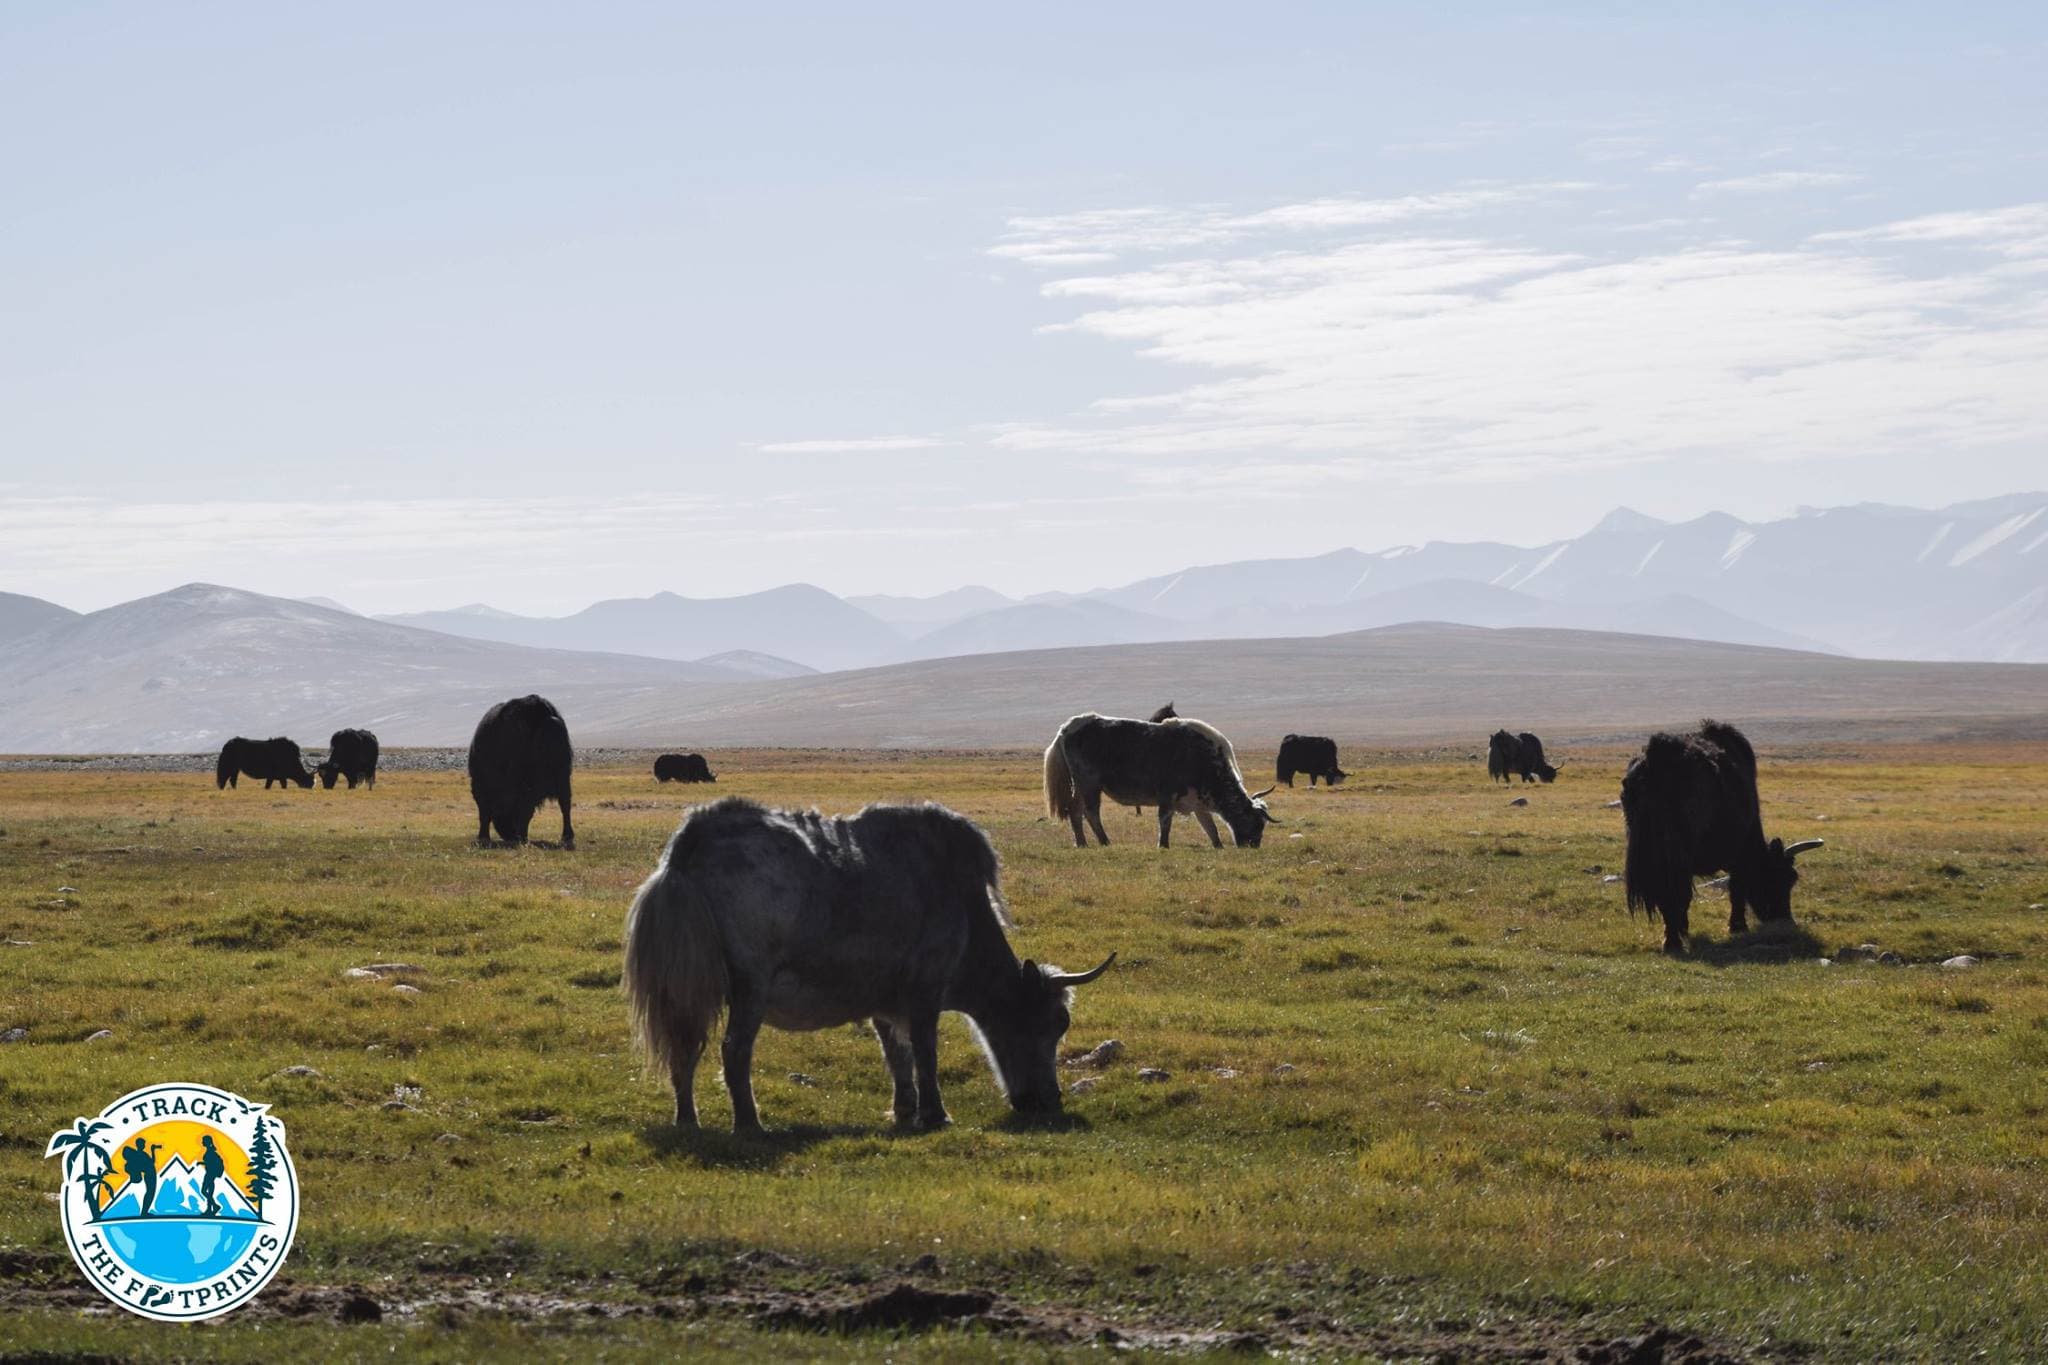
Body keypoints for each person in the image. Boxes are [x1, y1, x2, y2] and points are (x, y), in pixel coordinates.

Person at [120, 1138, 160, 1217]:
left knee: (150, 1193)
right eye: (143, 1144)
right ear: (139, 1145)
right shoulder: (139, 1154)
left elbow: (151, 1162)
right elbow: (149, 1163)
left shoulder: (142, 1154)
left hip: (151, 1174)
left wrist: (152, 1150)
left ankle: (144, 1212)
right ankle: (144, 1213)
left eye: (144, 1144)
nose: (144, 1145)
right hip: (150, 1175)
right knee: (150, 1193)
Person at [198, 1135, 227, 1216]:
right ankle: (210, 1209)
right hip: (211, 1174)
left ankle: (214, 1206)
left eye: (203, 1141)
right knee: (209, 1192)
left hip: (210, 1174)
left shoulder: (210, 1152)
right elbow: (210, 1162)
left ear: (207, 1142)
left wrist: (203, 1163)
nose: (202, 1142)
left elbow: (211, 1163)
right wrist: (202, 1163)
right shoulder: (210, 1151)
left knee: (204, 1191)